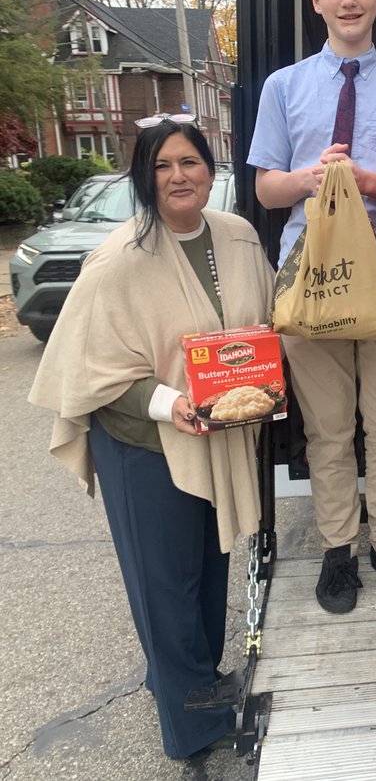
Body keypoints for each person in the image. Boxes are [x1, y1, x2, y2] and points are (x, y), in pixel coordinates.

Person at [28, 118, 275, 759]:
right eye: (162, 166)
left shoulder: (239, 236)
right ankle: (193, 727)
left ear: (210, 169)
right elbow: (91, 369)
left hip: (214, 437)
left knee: (206, 574)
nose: (178, 177)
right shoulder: (117, 260)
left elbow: (263, 325)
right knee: (165, 585)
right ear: (144, 176)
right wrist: (173, 405)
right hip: (144, 443)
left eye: (189, 162)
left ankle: (184, 677)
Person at [248, 0, 376, 614]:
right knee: (328, 427)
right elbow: (266, 189)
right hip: (309, 277)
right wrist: (309, 179)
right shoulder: (284, 86)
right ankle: (338, 548)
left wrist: (367, 180)